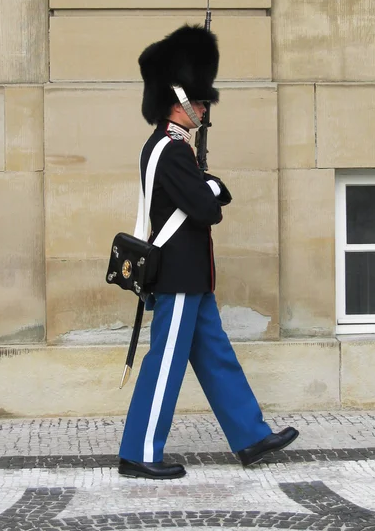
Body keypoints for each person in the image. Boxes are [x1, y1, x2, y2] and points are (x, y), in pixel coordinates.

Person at [118, 24, 299, 480]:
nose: (204, 109)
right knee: (165, 364)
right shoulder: (169, 149)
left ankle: (250, 436)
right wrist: (213, 185)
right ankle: (138, 451)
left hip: (192, 277)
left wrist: (207, 183)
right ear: (178, 101)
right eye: (199, 102)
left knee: (217, 356)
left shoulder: (175, 149)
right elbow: (205, 209)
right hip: (178, 276)